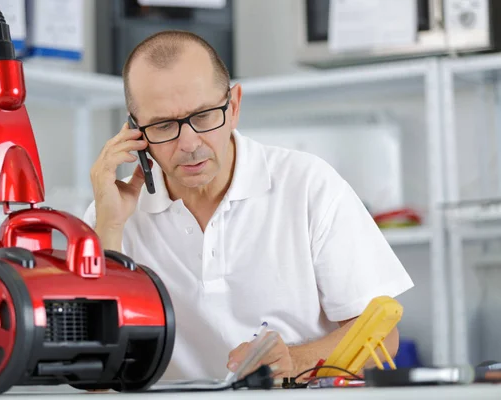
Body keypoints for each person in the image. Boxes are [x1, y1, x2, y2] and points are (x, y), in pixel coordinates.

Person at [83, 30, 414, 385]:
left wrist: (294, 361)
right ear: (135, 132)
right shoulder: (110, 214)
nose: (189, 143)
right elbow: (96, 371)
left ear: (234, 105)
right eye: (163, 125)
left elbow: (382, 336)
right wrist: (110, 228)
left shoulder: (307, 185)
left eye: (205, 115)